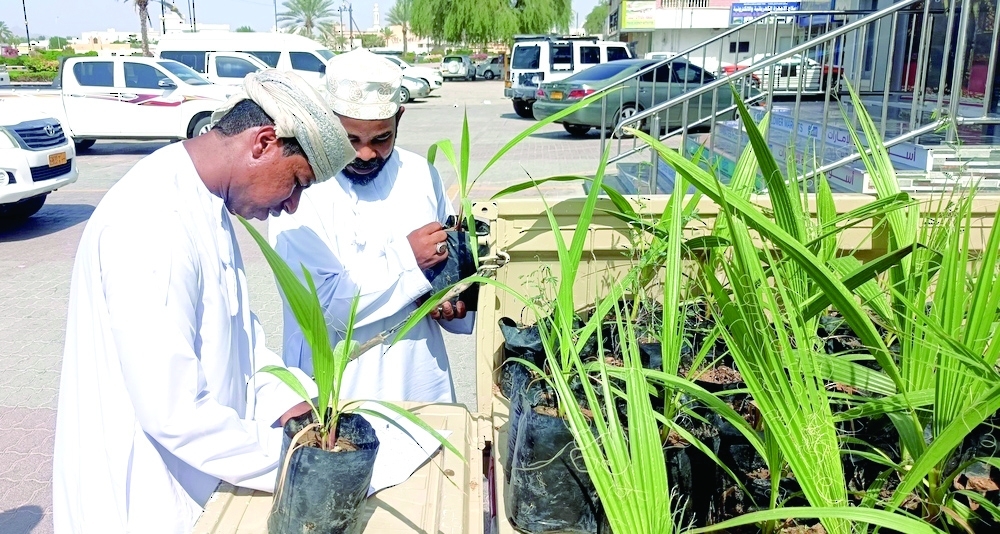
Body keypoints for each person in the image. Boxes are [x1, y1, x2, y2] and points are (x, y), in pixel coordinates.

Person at [53, 70, 355, 533]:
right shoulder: (153, 222)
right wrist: (302, 460)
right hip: (144, 497)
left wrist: (295, 402)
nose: (292, 205)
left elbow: (240, 340)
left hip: (199, 479)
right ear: (264, 143)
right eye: (298, 182)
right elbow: (172, 411)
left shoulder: (206, 201)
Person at [269, 49, 473, 403]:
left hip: (419, 381)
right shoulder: (301, 186)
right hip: (339, 394)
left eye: (381, 139)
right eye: (351, 140)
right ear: (328, 122)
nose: (365, 154)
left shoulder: (422, 175)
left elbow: (446, 275)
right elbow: (325, 308)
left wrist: (450, 300)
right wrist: (409, 258)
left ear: (399, 119)